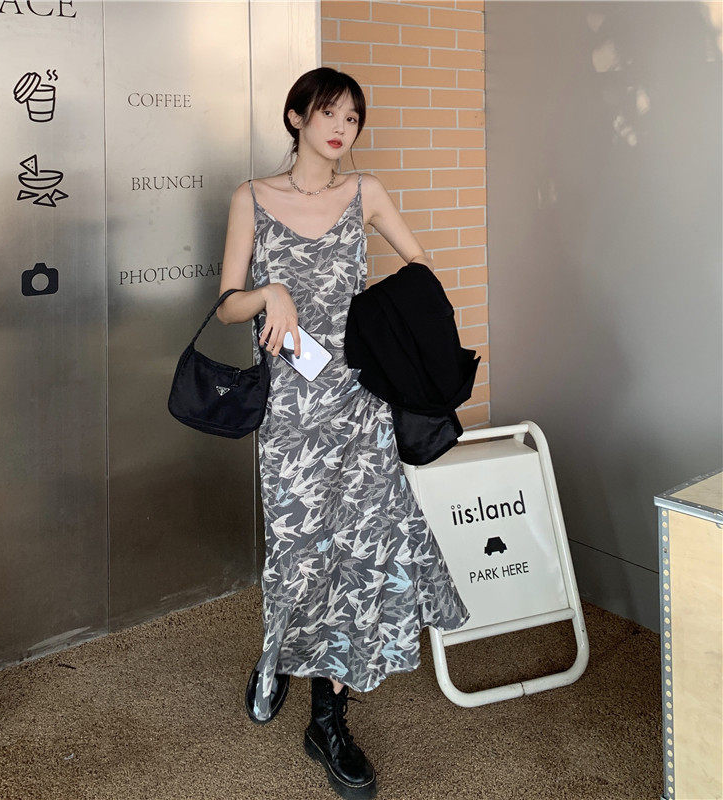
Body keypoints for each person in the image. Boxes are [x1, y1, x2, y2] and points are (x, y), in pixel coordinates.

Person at [216, 66, 470, 800]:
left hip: (360, 402)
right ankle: (277, 655)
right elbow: (227, 303)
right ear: (297, 116)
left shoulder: (366, 193)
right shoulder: (251, 198)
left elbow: (419, 270)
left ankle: (328, 718)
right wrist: (270, 293)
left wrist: (380, 327)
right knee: (300, 551)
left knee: (359, 553)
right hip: (292, 413)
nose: (341, 128)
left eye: (352, 118)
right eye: (328, 113)